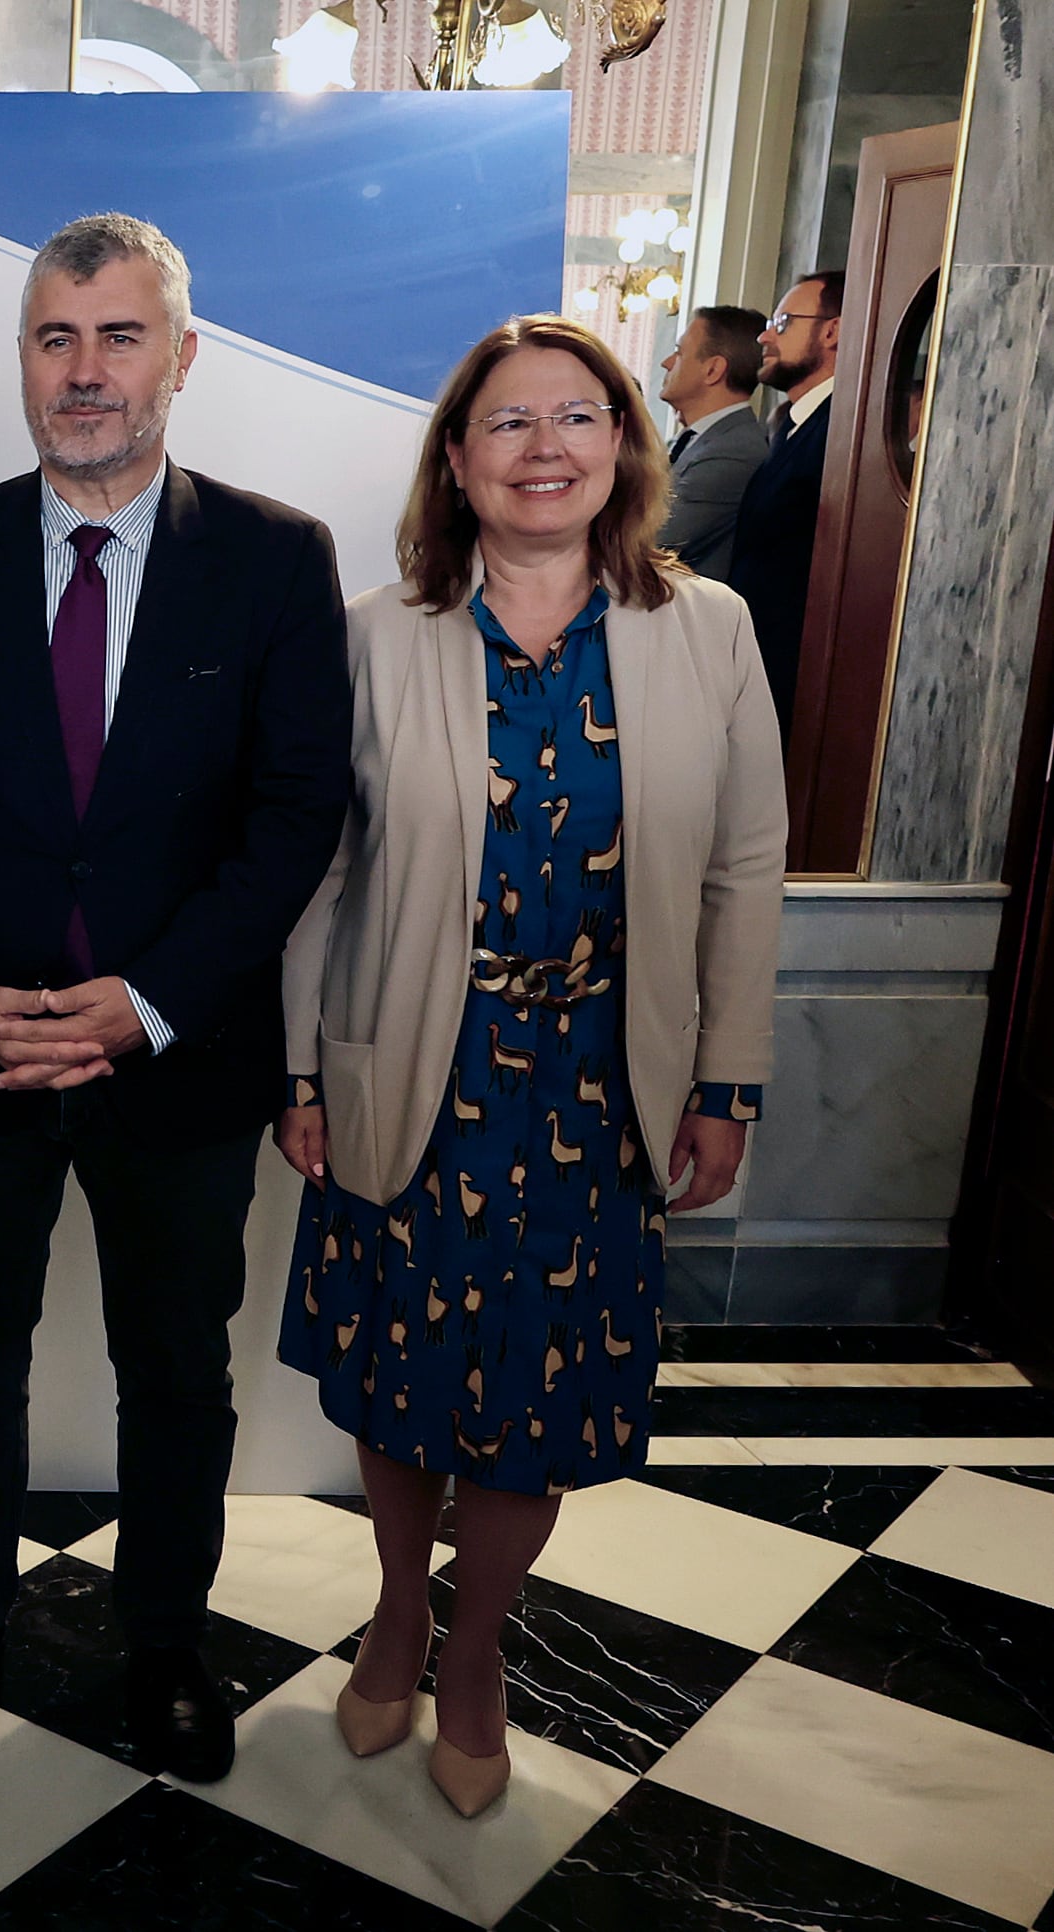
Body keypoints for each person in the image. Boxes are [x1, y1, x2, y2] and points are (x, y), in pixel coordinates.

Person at [0, 213, 350, 1780]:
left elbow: (292, 821)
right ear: (21, 362)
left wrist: (149, 1000)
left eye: (118, 338)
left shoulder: (273, 559)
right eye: (55, 340)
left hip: (179, 1065)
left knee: (173, 1376)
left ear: (180, 360)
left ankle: (165, 1644)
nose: (84, 372)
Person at [275, 314, 783, 1817]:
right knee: (397, 1383)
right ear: (455, 458)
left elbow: (742, 872)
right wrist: (297, 1074)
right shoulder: (376, 635)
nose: (544, 447)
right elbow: (317, 878)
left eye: (577, 416)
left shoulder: (710, 630)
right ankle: (388, 1606)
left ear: (623, 444)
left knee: (541, 1401)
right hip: (415, 1070)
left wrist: (726, 1080)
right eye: (507, 423)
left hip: (599, 1082)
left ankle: (478, 1648)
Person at [729, 271, 843, 737]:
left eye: (783, 320)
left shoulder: (839, 431)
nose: (764, 334)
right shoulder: (797, 424)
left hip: (794, 682)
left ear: (832, 331)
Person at [652, 305, 769, 579]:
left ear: (713, 370)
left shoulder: (735, 451)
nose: (667, 362)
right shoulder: (693, 439)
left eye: (679, 353)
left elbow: (653, 539)